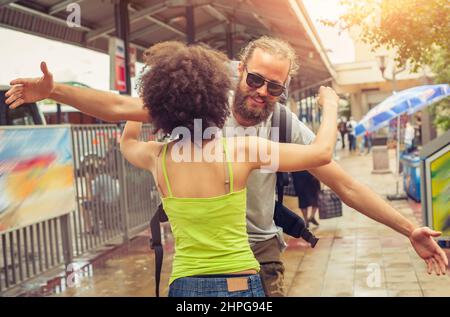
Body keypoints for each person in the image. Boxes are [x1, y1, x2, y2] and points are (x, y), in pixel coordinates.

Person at [5, 36, 448, 296]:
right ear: (238, 71)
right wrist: (55, 91)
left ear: (283, 91)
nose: (261, 92)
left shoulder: (280, 124)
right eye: (255, 79)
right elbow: (120, 103)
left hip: (260, 257)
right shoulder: (195, 106)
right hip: (202, 263)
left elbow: (345, 184)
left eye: (274, 87)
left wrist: (407, 229)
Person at [119, 41, 338, 296]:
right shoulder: (241, 151)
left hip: (186, 285)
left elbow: (128, 141)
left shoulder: (158, 158)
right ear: (218, 100)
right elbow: (322, 152)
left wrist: (149, 94)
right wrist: (331, 105)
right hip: (241, 283)